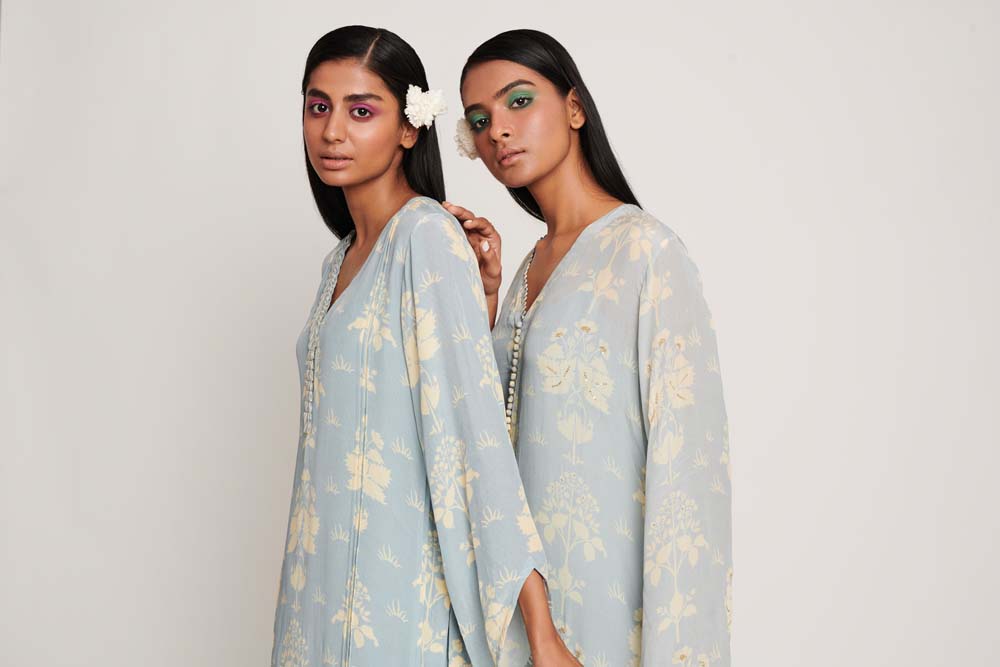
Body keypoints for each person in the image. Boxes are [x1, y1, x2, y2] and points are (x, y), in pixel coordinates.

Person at [271, 26, 580, 667]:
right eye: (318, 106)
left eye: (361, 111)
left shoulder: (425, 237)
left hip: (395, 605)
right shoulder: (337, 262)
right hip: (316, 594)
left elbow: (474, 437)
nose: (332, 132)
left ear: (409, 128)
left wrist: (541, 634)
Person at [445, 29, 734, 666]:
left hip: (607, 620)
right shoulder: (526, 271)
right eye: (480, 119)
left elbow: (690, 480)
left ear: (574, 108)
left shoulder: (646, 252)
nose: (498, 130)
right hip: (522, 622)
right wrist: (486, 305)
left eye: (519, 101)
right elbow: (488, 447)